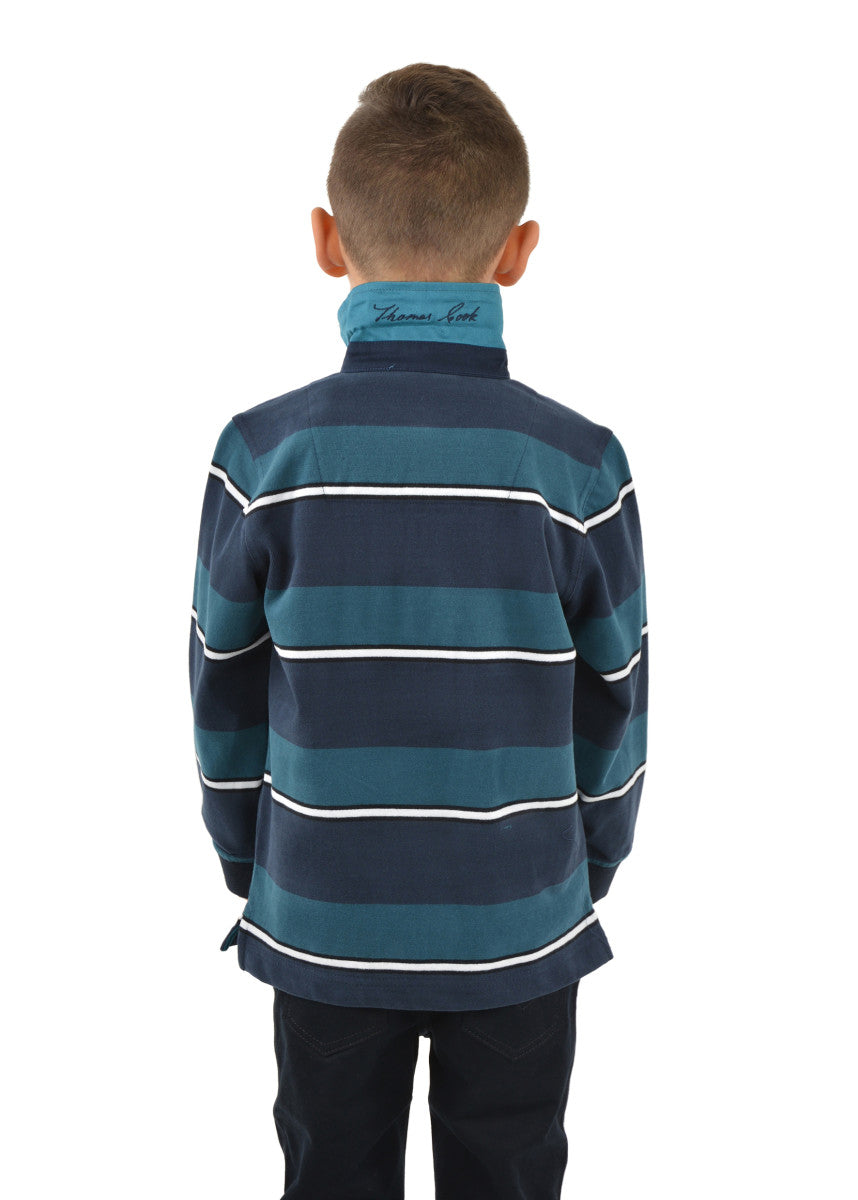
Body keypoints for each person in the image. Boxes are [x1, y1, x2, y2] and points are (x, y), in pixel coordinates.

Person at [189, 62, 648, 1200]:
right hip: (520, 918)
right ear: (519, 251)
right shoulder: (577, 465)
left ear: (324, 240)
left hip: (323, 914)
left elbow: (219, 693)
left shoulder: (264, 456)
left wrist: (253, 862)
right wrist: (586, 865)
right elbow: (619, 699)